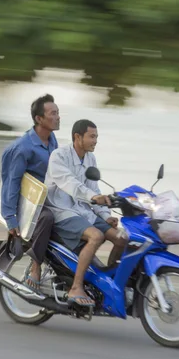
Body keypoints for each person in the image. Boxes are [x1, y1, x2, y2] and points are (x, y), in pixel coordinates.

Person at [44, 119, 128, 307]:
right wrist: (93, 197)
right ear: (77, 137)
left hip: (83, 211)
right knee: (96, 236)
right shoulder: (59, 156)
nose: (95, 140)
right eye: (92, 136)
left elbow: (94, 189)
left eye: (96, 136)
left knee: (122, 238)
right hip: (62, 211)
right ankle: (76, 287)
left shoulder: (90, 159)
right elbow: (70, 184)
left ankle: (108, 282)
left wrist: (107, 215)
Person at [0, 94, 60, 291]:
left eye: (58, 112)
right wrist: (11, 219)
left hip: (46, 199)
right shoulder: (23, 148)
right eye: (53, 113)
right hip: (28, 207)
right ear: (39, 119)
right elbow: (11, 183)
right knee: (48, 218)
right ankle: (36, 268)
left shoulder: (52, 141)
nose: (58, 117)